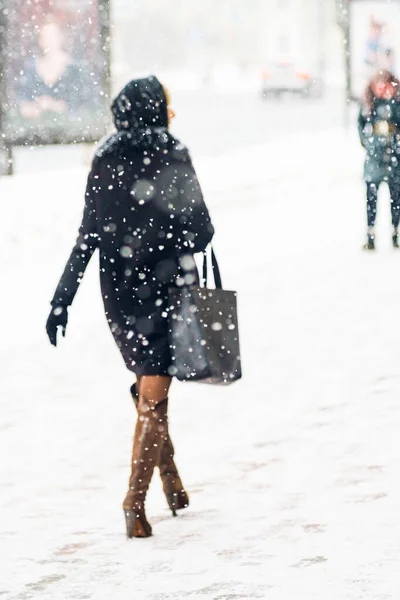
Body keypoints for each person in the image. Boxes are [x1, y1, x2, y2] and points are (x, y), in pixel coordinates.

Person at [45, 76, 215, 538]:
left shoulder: (104, 158)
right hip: (167, 291)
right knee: (154, 395)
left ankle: (173, 485)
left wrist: (61, 301)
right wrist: (170, 230)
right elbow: (202, 231)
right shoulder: (174, 153)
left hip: (120, 297)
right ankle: (133, 506)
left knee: (151, 390)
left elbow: (88, 237)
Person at [358, 70, 400, 250]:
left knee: (396, 197)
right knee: (372, 198)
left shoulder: (396, 103)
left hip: (394, 157)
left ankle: (395, 232)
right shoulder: (369, 103)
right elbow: (361, 126)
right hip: (375, 158)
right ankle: (371, 234)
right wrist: (369, 144)